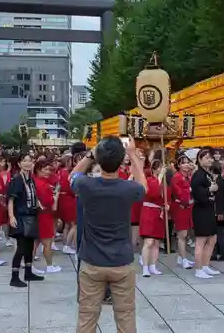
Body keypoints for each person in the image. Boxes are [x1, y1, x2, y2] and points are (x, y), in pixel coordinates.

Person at [71, 135, 146, 333]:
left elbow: (72, 176)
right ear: (121, 161)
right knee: (126, 314)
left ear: (98, 159)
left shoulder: (86, 185)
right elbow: (144, 187)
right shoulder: (128, 188)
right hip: (121, 260)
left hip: (91, 260)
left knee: (87, 315)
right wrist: (132, 154)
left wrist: (90, 155)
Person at [7, 153, 44, 287]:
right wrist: (11, 217)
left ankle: (28, 272)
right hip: (20, 217)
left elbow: (32, 195)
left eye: (30, 161)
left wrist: (38, 203)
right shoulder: (17, 179)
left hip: (31, 215)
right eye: (25, 161)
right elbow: (11, 199)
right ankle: (14, 277)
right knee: (22, 247)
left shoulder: (30, 179)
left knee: (29, 245)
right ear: (19, 164)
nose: (28, 163)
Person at [191, 148, 221, 279]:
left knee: (212, 238)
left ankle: (205, 265)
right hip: (201, 209)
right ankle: (198, 269)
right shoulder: (198, 174)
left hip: (208, 208)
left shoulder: (207, 173)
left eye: (210, 158)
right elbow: (196, 193)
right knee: (201, 240)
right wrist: (209, 189)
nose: (210, 160)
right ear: (199, 159)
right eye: (207, 158)